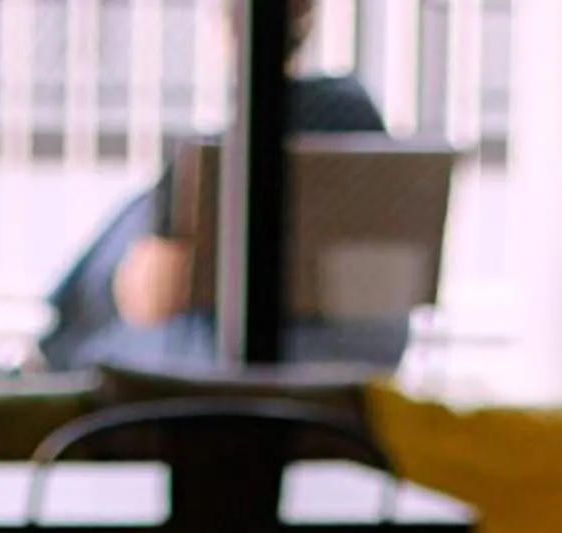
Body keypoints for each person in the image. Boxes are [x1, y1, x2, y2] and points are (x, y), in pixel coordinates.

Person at [41, 0, 388, 372]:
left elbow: (152, 298)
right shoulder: (358, 122)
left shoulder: (215, 163)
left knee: (134, 227)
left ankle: (44, 358)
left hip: (214, 366)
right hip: (348, 366)